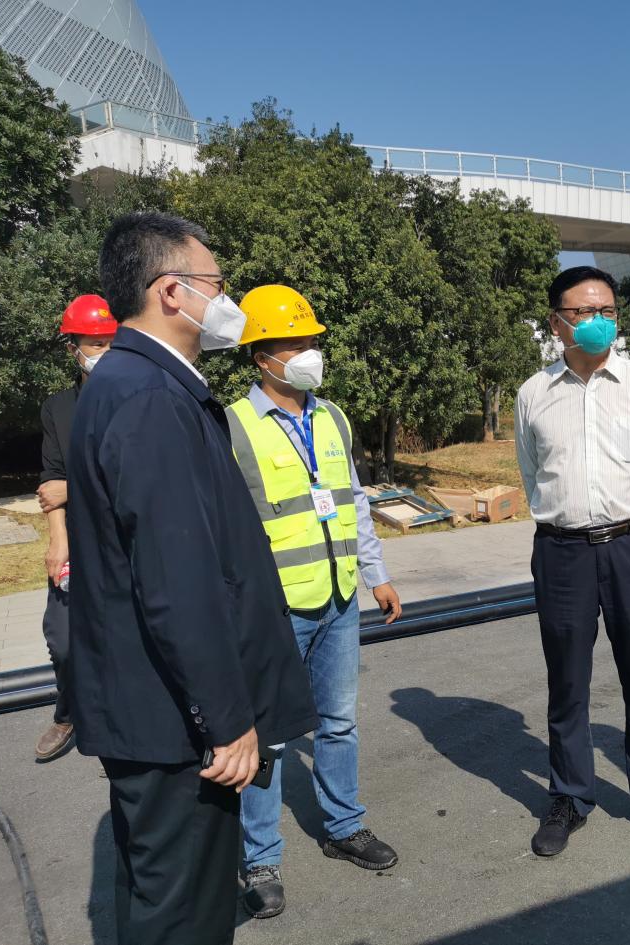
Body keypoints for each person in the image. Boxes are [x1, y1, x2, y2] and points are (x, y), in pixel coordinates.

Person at [66, 212, 317, 945]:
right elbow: (177, 580)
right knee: (185, 912)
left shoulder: (138, 383)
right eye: (217, 283)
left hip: (156, 710)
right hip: (175, 721)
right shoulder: (149, 396)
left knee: (160, 899)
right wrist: (226, 719)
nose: (226, 299)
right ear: (171, 291)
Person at [225, 284, 402, 919]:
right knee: (268, 736)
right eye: (293, 344)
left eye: (310, 341)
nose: (307, 353)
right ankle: (260, 857)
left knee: (339, 722)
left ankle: (344, 826)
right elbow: (225, 524)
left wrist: (376, 573)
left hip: (339, 594)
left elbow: (353, 501)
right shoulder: (232, 426)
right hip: (273, 609)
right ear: (261, 357)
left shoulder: (331, 417)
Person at [514, 265, 630, 858]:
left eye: (607, 311)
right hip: (561, 550)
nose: (598, 321)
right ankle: (569, 795)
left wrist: (622, 516)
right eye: (584, 311)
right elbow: (532, 471)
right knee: (567, 681)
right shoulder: (534, 393)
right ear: (556, 322)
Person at [33, 294, 117, 762]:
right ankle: (68, 712)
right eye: (95, 343)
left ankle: (125, 726)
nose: (104, 351)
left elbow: (138, 476)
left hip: (125, 542)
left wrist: (74, 488)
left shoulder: (135, 400)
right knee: (63, 640)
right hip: (79, 544)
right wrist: (58, 541)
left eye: (111, 342)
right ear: (73, 349)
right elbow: (51, 484)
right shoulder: (58, 408)